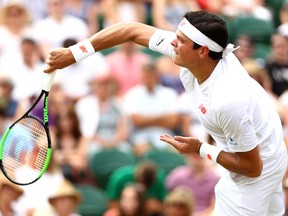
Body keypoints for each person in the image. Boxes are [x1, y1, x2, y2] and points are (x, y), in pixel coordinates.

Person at [44, 10, 288, 216]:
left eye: (180, 41)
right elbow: (131, 29)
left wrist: (201, 149)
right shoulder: (197, 54)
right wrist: (75, 53)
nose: (173, 42)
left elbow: (252, 167)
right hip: (268, 146)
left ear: (203, 51)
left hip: (255, 171)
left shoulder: (227, 100)